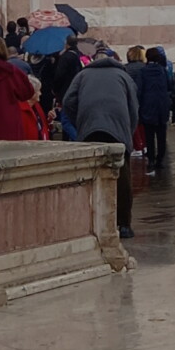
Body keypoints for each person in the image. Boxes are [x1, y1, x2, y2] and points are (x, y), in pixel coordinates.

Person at [63, 41, 139, 236]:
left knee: (89, 174)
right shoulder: (124, 76)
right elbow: (133, 107)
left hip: (90, 128)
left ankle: (89, 221)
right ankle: (124, 224)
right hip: (118, 130)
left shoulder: (82, 75)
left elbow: (68, 102)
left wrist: (80, 122)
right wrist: (128, 131)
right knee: (122, 175)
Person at [136, 45, 174, 173]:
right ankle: (160, 159)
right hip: (162, 105)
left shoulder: (143, 71)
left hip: (147, 106)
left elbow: (139, 90)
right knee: (161, 135)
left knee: (149, 136)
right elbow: (169, 85)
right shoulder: (162, 70)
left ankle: (151, 159)